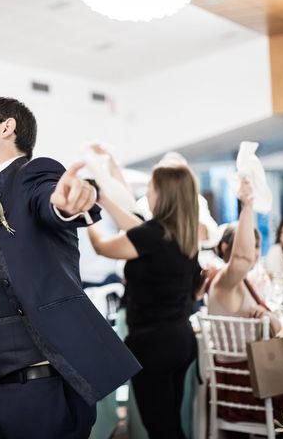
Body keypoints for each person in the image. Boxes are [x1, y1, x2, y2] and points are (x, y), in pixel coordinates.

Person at [0, 95, 140, 438]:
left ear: (7, 127)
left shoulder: (34, 174)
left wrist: (66, 203)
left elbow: (50, 199)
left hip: (41, 394)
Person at [88, 164, 201, 439]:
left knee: (159, 427)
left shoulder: (152, 236)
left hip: (154, 346)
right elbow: (140, 228)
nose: (147, 194)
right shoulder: (184, 234)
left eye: (150, 188)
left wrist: (86, 213)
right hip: (181, 340)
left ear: (163, 194)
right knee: (171, 423)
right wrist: (102, 198)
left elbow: (102, 247)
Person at [206, 180, 283, 427]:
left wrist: (267, 318)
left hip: (260, 378)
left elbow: (277, 327)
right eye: (250, 244)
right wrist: (247, 205)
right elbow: (241, 257)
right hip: (247, 388)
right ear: (226, 247)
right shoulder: (224, 282)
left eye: (258, 245)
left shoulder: (244, 283)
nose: (255, 252)